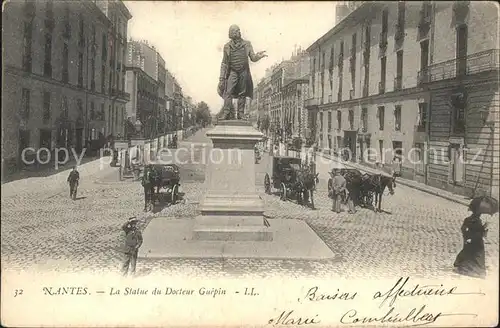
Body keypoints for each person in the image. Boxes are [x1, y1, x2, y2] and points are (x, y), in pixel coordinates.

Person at [218, 25, 267, 120]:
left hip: (243, 72)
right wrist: (221, 78)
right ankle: (226, 112)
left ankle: (240, 113)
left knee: (242, 93)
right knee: (228, 92)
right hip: (232, 72)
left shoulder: (247, 44)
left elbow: (252, 58)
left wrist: (258, 56)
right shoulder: (227, 47)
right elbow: (224, 63)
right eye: (235, 31)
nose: (238, 32)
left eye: (238, 31)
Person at [453, 211, 488, 278]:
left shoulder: (472, 220)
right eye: (478, 214)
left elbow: (465, 229)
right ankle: (475, 270)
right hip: (475, 239)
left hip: (474, 239)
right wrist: (484, 227)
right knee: (476, 254)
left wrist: (484, 227)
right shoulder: (473, 220)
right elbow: (465, 229)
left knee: (471, 253)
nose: (479, 215)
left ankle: (472, 269)